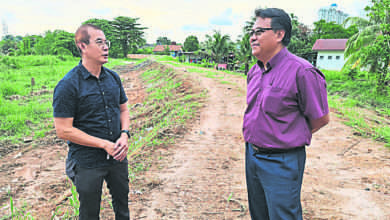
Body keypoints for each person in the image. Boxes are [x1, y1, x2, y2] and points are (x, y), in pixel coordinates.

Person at [243, 8, 330, 220]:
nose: (253, 37)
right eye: (251, 32)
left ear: (279, 34)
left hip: (281, 161)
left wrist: (285, 135)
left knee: (283, 216)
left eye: (259, 31)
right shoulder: (255, 71)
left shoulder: (302, 72)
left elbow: (321, 118)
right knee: (259, 214)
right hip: (252, 155)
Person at [53, 24, 130, 219]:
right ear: (83, 46)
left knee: (122, 207)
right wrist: (103, 144)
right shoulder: (68, 85)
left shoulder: (113, 78)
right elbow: (63, 130)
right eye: (99, 42)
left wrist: (124, 134)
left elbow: (124, 109)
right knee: (89, 213)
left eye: (106, 42)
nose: (106, 47)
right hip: (87, 162)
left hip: (117, 157)